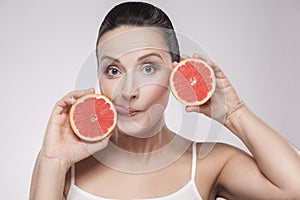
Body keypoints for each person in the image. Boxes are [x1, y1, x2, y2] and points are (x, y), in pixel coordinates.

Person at [30, 2, 300, 199]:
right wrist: (52, 161)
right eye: (113, 70)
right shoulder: (67, 167)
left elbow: (294, 189)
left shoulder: (210, 163)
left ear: (176, 73)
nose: (128, 91)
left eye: (148, 68)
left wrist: (234, 113)